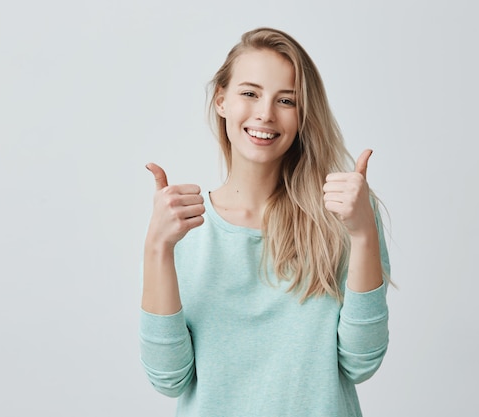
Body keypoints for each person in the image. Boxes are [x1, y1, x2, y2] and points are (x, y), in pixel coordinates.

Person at [140, 27, 391, 417]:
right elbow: (168, 378)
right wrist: (157, 249)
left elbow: (361, 363)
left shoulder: (345, 215)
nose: (265, 113)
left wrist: (362, 235)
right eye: (250, 93)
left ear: (303, 113)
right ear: (221, 100)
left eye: (286, 100)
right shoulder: (182, 229)